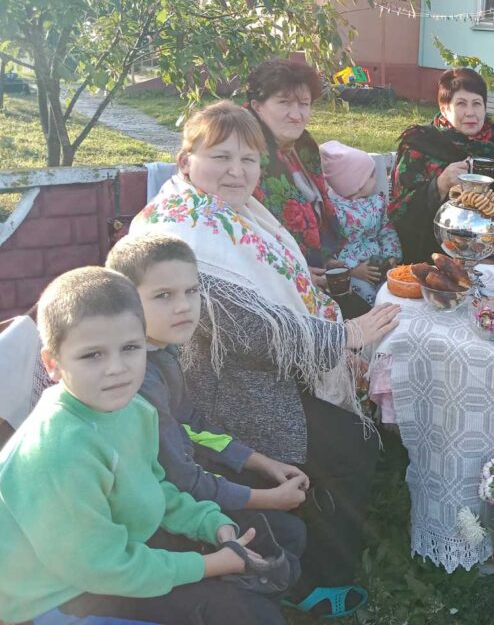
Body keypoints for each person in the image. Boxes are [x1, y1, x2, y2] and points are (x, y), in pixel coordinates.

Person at [131, 101, 400, 619]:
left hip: (250, 374)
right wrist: (345, 336)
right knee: (353, 446)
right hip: (215, 394)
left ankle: (308, 546)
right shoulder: (185, 232)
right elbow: (251, 331)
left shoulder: (224, 212)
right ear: (186, 160)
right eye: (221, 157)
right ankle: (317, 581)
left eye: (248, 159)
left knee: (348, 437)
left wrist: (330, 329)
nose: (237, 171)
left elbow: (272, 298)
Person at [0, 267, 281, 625]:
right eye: (93, 355)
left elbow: (154, 487)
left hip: (107, 557)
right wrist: (211, 564)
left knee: (246, 604)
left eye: (130, 348)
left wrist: (211, 524)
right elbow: (105, 568)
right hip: (49, 600)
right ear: (53, 364)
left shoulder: (135, 410)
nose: (117, 368)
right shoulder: (58, 452)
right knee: (227, 609)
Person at [106, 233, 309, 552]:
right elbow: (180, 478)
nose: (183, 306)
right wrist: (268, 500)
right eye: (163, 295)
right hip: (153, 516)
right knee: (287, 534)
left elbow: (191, 424)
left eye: (192, 291)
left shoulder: (159, 347)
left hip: (181, 481)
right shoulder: (137, 379)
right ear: (125, 301)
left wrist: (261, 462)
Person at [389, 67, 494, 263]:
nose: (470, 113)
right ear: (444, 108)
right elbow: (400, 213)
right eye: (461, 104)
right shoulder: (421, 144)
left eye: (477, 104)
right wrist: (440, 184)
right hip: (434, 256)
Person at [246, 57, 345, 290]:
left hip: (315, 273)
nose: (296, 114)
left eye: (304, 104)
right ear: (257, 106)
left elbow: (318, 207)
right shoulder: (244, 151)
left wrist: (326, 258)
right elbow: (241, 231)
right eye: (284, 102)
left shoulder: (302, 146)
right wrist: (293, 271)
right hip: (271, 282)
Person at [320, 141, 402, 305]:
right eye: (371, 176)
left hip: (380, 264)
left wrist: (391, 255)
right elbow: (329, 247)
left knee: (392, 293)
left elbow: (386, 230)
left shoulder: (377, 202)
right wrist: (352, 270)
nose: (376, 178)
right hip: (354, 273)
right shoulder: (332, 210)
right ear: (356, 183)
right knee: (365, 298)